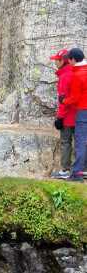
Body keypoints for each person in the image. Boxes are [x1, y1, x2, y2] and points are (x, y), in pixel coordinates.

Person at [50, 49, 76, 179]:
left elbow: (63, 101)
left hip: (67, 117)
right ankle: (82, 170)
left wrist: (59, 118)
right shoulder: (74, 72)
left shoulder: (65, 76)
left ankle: (65, 170)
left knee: (66, 142)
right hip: (79, 115)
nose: (55, 62)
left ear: (63, 61)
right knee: (80, 142)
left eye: (57, 60)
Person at [62, 48, 87, 182]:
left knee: (80, 142)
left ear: (73, 59)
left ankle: (77, 173)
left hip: (83, 111)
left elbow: (75, 98)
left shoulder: (78, 75)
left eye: (69, 60)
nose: (69, 63)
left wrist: (64, 100)